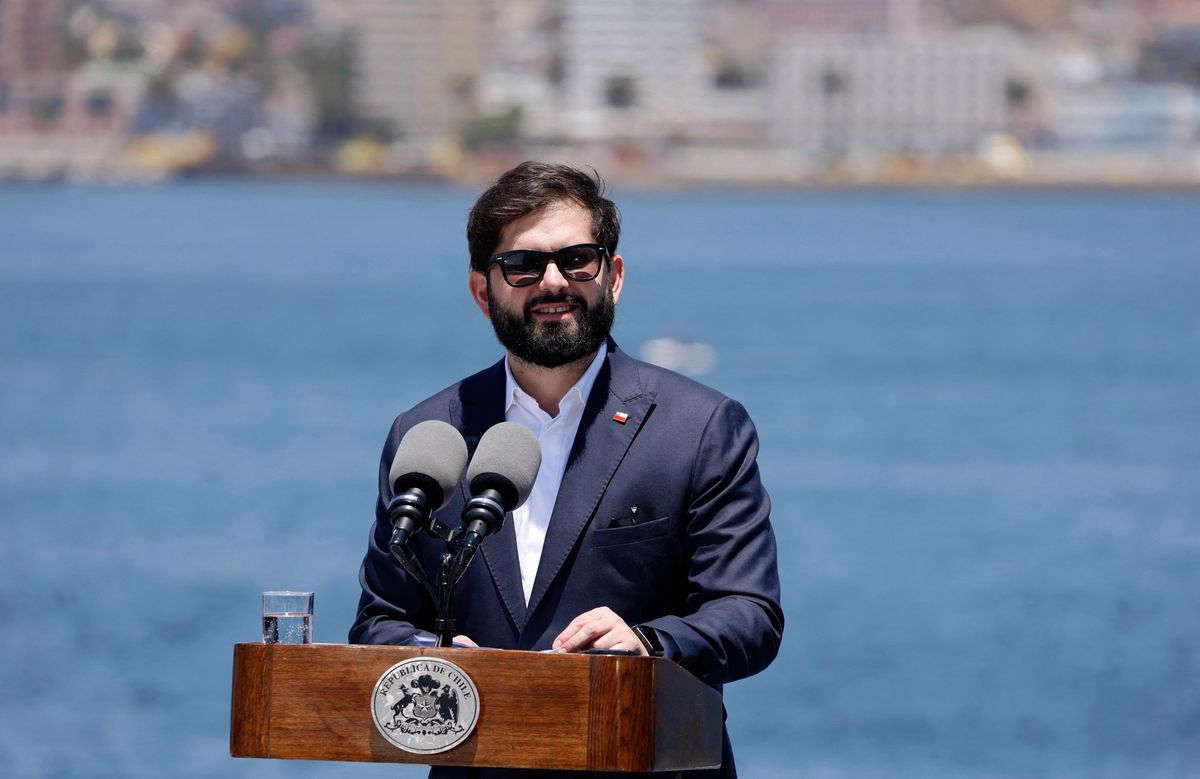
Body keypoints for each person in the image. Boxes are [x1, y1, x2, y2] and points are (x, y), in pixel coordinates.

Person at [350, 161, 783, 778]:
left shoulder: (702, 428)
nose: (554, 282)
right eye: (523, 266)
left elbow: (748, 614)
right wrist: (430, 654)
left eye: (578, 259)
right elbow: (381, 620)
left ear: (614, 276)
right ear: (483, 292)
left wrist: (648, 642)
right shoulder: (427, 436)